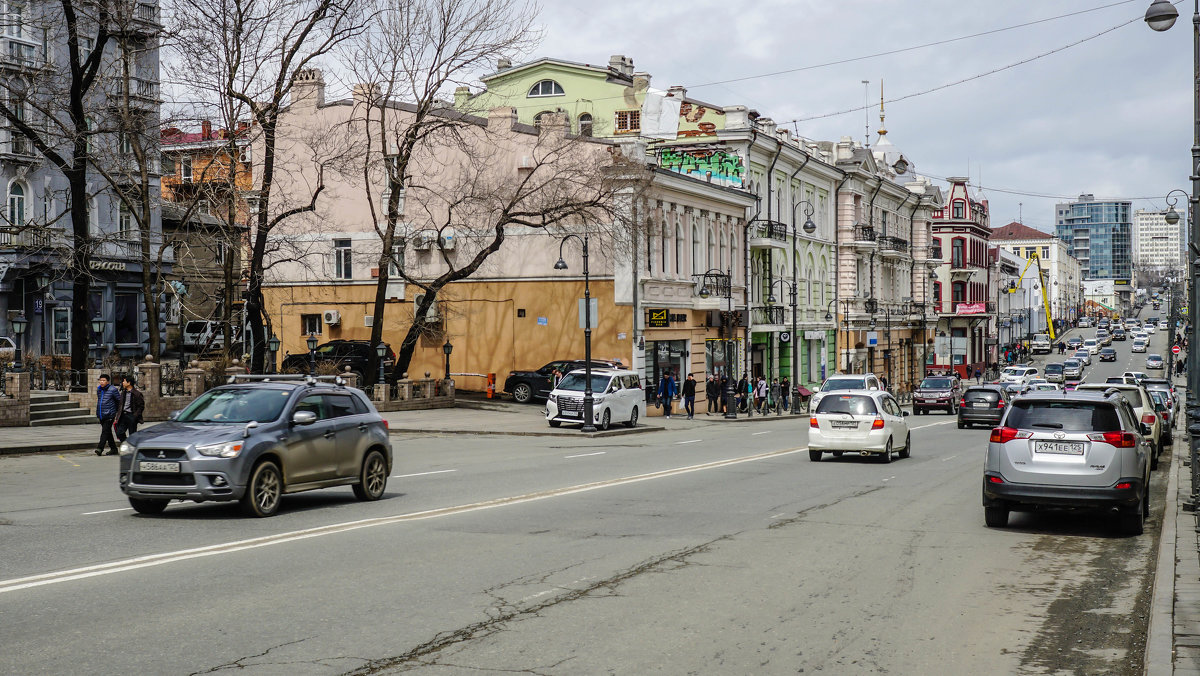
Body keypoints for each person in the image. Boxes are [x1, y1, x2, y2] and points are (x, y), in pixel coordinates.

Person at [94, 374, 122, 456]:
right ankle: (113, 449)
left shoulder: (113, 390)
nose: (102, 382)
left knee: (105, 431)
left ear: (108, 381)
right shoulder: (99, 390)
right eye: (101, 380)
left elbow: (119, 401)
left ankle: (100, 448)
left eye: (104, 380)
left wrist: (114, 411)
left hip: (109, 414)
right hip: (101, 414)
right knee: (108, 432)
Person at [115, 375, 145, 443]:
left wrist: (135, 415)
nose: (123, 383)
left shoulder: (137, 394)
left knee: (132, 434)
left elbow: (141, 406)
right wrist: (117, 416)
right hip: (123, 415)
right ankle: (126, 444)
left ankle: (132, 448)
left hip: (131, 415)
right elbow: (120, 405)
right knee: (119, 432)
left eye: (124, 381)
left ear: (129, 383)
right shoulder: (123, 392)